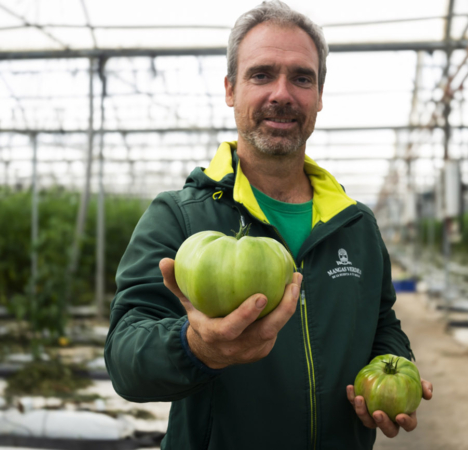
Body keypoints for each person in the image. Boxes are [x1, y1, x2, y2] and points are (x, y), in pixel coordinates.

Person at [104, 1, 433, 449]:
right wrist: (195, 347)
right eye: (261, 75)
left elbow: (381, 322)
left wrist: (393, 369)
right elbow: (125, 359)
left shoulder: (354, 224)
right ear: (230, 90)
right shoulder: (181, 217)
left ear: (319, 96)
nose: (283, 93)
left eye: (302, 77)